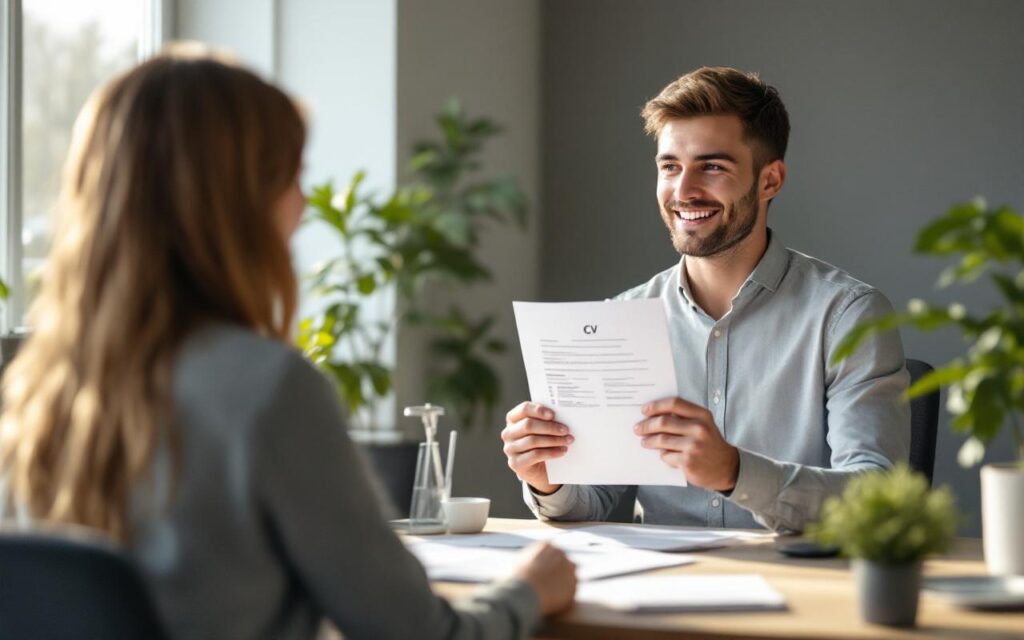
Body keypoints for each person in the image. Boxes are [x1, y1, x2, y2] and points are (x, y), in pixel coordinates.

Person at [0, 46, 575, 639]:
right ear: (239, 204)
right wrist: (529, 590)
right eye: (293, 178)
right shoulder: (268, 389)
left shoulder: (38, 394)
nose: (302, 207)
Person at [501, 67, 910, 533]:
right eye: (670, 166)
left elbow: (876, 497)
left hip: (800, 575)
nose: (683, 191)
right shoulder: (622, 318)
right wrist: (549, 480)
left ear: (770, 180)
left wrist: (735, 473)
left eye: (712, 167)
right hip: (667, 576)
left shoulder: (848, 316)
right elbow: (594, 502)